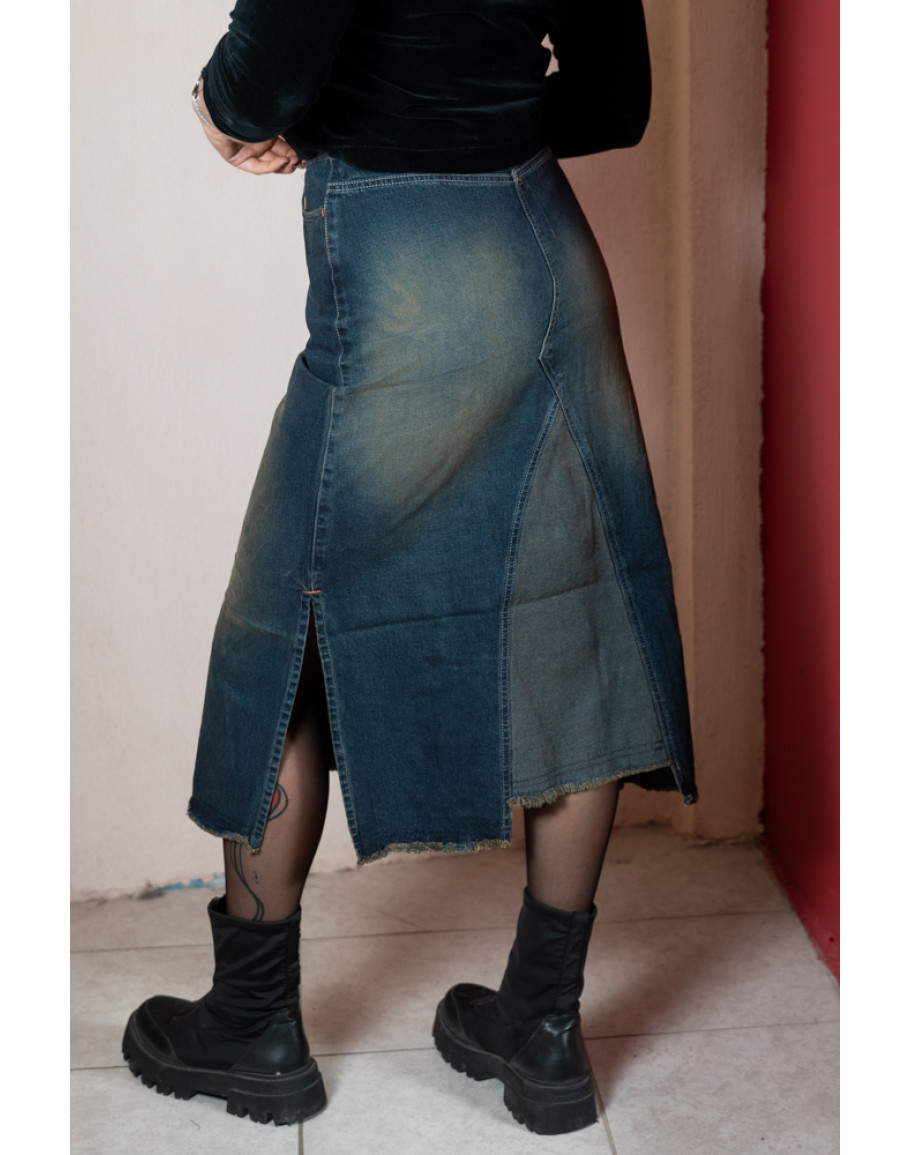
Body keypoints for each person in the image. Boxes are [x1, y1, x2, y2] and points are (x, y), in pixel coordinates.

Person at [122, 0, 696, 1137]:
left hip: (396, 265)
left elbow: (268, 71)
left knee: (284, 632)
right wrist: (480, 112)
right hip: (541, 249)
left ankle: (252, 1022)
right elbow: (614, 99)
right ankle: (541, 1027)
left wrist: (227, 110)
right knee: (569, 621)